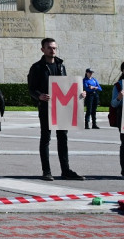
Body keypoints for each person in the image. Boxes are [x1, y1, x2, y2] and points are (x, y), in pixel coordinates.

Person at [27, 37, 83, 182]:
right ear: (43, 50)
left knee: (63, 138)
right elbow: (31, 88)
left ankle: (66, 170)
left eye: (54, 48)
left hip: (61, 107)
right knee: (45, 139)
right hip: (46, 107)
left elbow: (66, 86)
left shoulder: (61, 66)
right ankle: (46, 171)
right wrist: (39, 96)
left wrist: (79, 93)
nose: (53, 50)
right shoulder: (37, 67)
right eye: (49, 48)